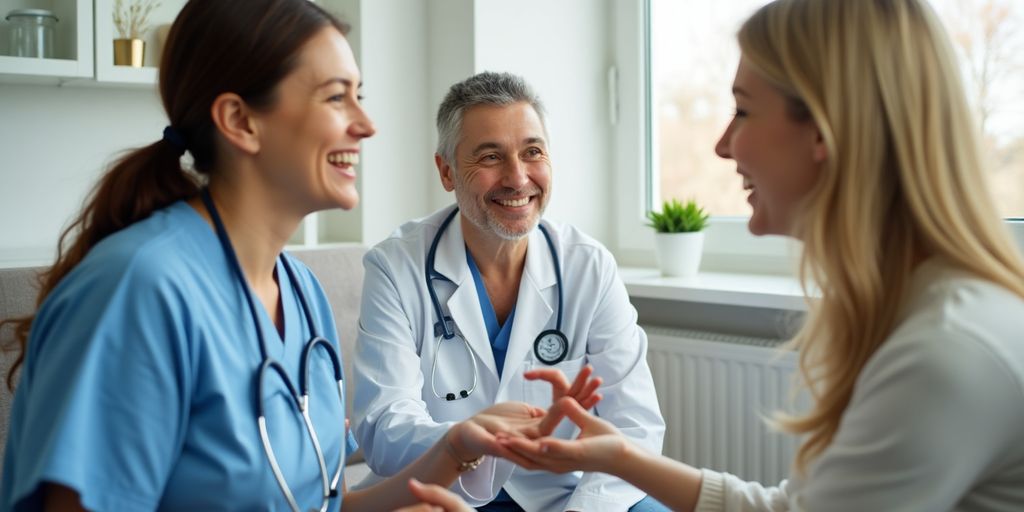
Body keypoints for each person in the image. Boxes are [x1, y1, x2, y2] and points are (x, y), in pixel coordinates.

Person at [0, 2, 598, 510]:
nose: (366, 125)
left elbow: (320, 502)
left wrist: (456, 448)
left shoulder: (301, 293)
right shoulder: (137, 290)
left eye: (360, 96)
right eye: (337, 98)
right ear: (240, 121)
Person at [495, 0, 1024, 510]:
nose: (724, 145)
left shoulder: (945, 354)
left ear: (824, 128)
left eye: (743, 111)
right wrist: (621, 458)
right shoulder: (925, 311)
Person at [352, 71, 667, 512]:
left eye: (532, 152)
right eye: (490, 157)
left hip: (565, 495)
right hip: (440, 490)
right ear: (447, 171)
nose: (518, 179)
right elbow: (384, 428)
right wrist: (469, 440)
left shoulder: (588, 266)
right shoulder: (395, 266)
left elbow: (636, 426)